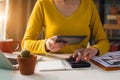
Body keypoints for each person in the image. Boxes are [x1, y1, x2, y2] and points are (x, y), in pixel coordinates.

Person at [22, 0, 110, 62]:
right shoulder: (43, 3)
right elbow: (26, 43)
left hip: (81, 62)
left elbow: (104, 42)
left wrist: (94, 49)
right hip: (52, 64)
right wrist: (45, 45)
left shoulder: (89, 4)